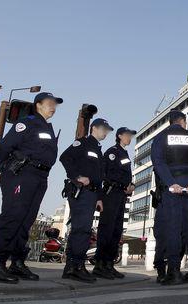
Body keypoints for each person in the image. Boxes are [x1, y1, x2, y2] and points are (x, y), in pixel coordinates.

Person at [0, 92, 63, 284]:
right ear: (38, 105)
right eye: (50, 103)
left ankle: (17, 262)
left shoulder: (48, 127)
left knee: (26, 221)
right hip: (22, 173)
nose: (53, 106)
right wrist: (0, 169)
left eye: (55, 104)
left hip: (39, 177)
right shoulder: (27, 122)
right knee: (13, 217)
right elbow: (5, 146)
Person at [151, 109, 188, 285]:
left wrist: (171, 183)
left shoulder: (161, 138)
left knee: (173, 228)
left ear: (170, 122)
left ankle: (174, 272)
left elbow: (159, 163)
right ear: (183, 122)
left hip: (172, 189)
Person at [59, 118, 113, 283]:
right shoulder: (82, 143)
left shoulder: (98, 150)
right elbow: (65, 158)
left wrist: (99, 198)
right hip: (80, 191)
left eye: (107, 130)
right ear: (94, 128)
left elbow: (98, 179)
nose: (106, 132)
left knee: (83, 230)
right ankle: (76, 266)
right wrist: (77, 176)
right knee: (81, 230)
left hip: (91, 194)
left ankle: (72, 267)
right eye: (103, 129)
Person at [93, 127, 136, 279]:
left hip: (121, 195)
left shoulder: (124, 153)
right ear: (119, 136)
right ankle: (99, 265)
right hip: (111, 193)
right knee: (107, 230)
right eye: (127, 135)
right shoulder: (113, 152)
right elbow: (106, 172)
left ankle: (109, 264)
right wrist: (123, 184)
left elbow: (125, 175)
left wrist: (131, 186)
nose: (129, 137)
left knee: (116, 231)